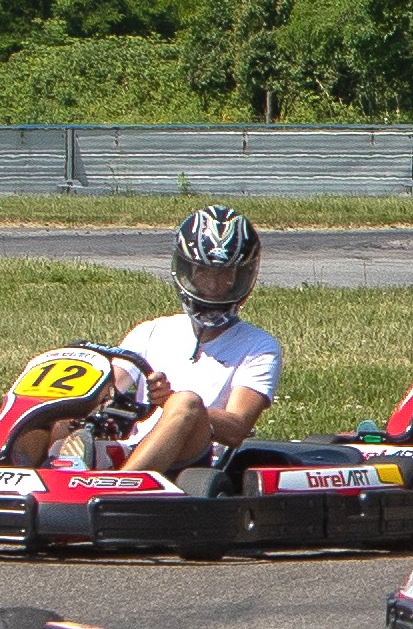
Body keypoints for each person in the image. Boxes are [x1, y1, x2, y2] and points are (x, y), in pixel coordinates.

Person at [90, 204, 284, 480]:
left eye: (225, 274)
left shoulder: (258, 347)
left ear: (242, 277)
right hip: (134, 446)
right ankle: (24, 472)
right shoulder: (152, 331)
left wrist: (171, 402)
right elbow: (107, 387)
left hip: (196, 466)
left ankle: (121, 486)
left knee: (187, 403)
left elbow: (237, 427)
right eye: (204, 271)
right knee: (66, 403)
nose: (214, 285)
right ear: (187, 271)